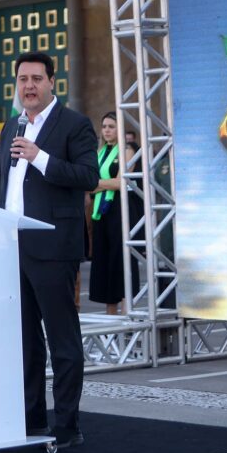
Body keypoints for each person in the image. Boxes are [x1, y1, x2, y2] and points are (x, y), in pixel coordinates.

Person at [0, 52, 98, 448]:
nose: (29, 86)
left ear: (51, 83)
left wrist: (40, 157)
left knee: (62, 339)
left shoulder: (75, 125)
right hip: (11, 249)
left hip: (54, 248)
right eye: (23, 79)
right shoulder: (13, 126)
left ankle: (67, 424)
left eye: (36, 79)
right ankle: (31, 418)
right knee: (24, 341)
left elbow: (88, 177)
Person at [88, 112, 138, 315]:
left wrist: (95, 184)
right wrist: (96, 185)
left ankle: (127, 314)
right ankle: (111, 317)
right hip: (101, 211)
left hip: (120, 210)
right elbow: (87, 183)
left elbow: (120, 182)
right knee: (104, 261)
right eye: (104, 126)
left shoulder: (128, 150)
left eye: (112, 126)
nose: (107, 130)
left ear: (120, 129)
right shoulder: (99, 152)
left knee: (121, 260)